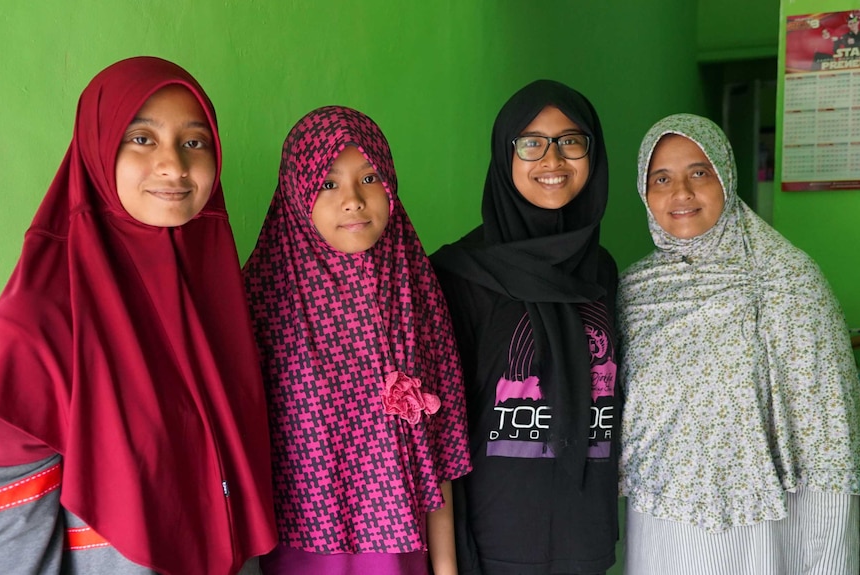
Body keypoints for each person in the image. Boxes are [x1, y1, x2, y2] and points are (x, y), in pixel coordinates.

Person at [0, 56, 277, 575]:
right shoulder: (33, 327)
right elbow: (15, 547)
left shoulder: (219, 301)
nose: (174, 165)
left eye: (195, 141)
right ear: (98, 148)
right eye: (142, 138)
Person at [618, 113, 860, 575]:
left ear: (726, 177)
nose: (681, 193)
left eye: (699, 172)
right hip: (657, 523)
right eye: (662, 178)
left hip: (764, 525)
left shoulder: (787, 281)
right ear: (644, 192)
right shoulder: (633, 290)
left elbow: (830, 431)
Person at [242, 105, 472, 575]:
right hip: (301, 551)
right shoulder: (260, 302)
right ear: (295, 189)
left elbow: (441, 451)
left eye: (369, 178)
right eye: (328, 183)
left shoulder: (416, 291)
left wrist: (446, 567)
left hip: (401, 550)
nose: (353, 199)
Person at [431, 80, 620, 575]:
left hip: (586, 537)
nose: (552, 160)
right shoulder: (459, 273)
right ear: (504, 154)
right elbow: (440, 431)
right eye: (531, 143)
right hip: (494, 542)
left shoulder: (600, 270)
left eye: (571, 141)